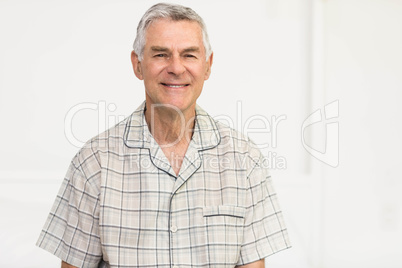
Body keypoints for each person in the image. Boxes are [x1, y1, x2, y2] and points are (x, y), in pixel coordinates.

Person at [36, 3, 290, 268]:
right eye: (161, 55)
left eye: (189, 55)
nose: (176, 68)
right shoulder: (93, 162)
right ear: (138, 65)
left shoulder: (245, 159)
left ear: (207, 66)